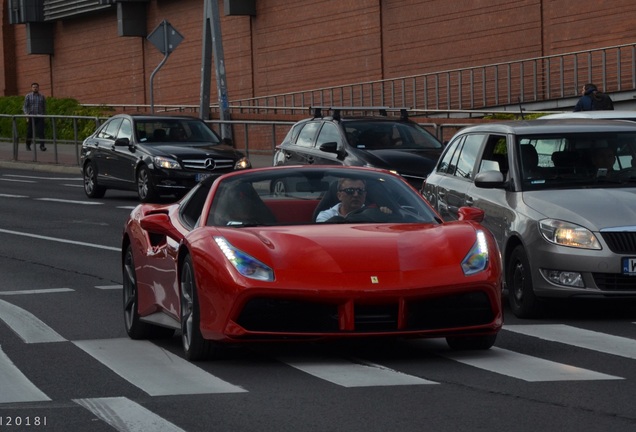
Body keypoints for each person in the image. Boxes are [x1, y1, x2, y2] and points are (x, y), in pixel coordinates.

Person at [316, 178, 391, 222]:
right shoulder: (326, 217)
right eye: (350, 191)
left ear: (365, 194)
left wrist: (386, 215)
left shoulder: (376, 213)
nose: (356, 195)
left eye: (360, 191)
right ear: (339, 196)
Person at [23, 82, 47, 151]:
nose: (35, 88)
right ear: (31, 88)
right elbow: (25, 106)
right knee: (30, 132)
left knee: (41, 132)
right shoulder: (28, 96)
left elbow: (44, 107)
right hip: (31, 116)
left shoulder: (42, 96)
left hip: (40, 116)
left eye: (36, 87)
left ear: (38, 88)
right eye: (33, 87)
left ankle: (42, 146)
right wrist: (26, 115)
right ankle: (28, 145)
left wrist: (44, 116)